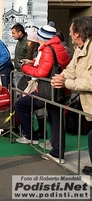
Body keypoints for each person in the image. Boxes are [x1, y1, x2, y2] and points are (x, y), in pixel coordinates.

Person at [15, 21, 70, 164]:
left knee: (21, 104)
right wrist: (32, 63)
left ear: (42, 38)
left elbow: (42, 72)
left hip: (48, 89)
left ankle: (32, 136)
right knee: (56, 120)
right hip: (59, 89)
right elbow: (54, 66)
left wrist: (25, 68)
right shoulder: (59, 47)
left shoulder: (47, 49)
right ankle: (57, 152)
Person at [51, 16, 92, 173]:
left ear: (78, 33)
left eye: (70, 31)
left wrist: (66, 83)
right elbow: (71, 68)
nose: (68, 34)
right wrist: (62, 77)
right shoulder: (79, 49)